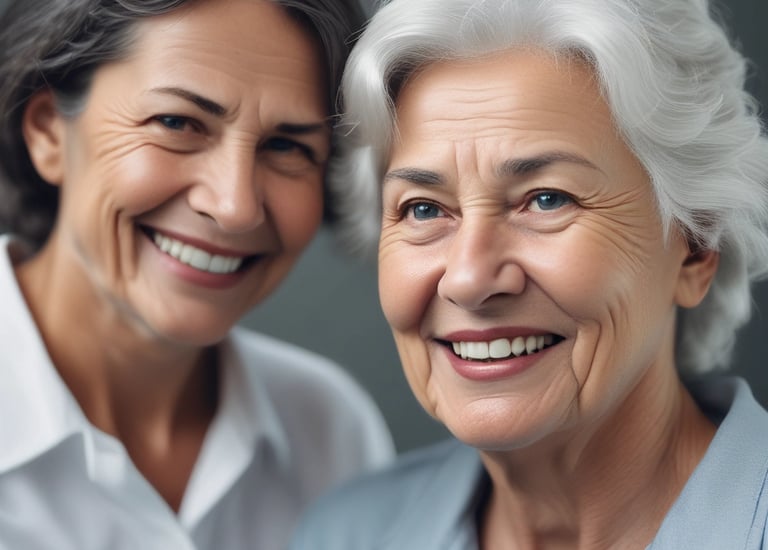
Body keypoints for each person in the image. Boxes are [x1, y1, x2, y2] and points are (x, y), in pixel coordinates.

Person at [290, 0, 768, 548]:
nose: (469, 278)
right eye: (423, 208)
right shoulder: (343, 535)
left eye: (546, 200)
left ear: (696, 247)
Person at [0, 0, 394, 548]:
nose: (235, 207)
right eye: (177, 123)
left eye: (287, 146)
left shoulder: (328, 429)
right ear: (47, 133)